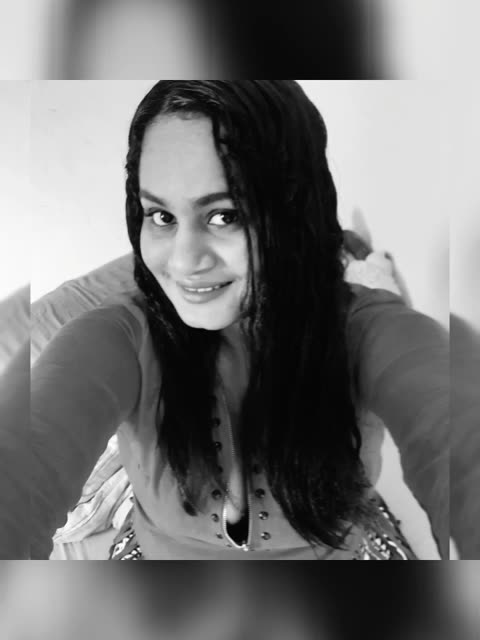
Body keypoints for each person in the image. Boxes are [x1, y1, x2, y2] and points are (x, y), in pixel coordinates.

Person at [11, 80, 449, 559]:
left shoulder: (366, 330)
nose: (183, 261)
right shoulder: (116, 337)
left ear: (295, 210)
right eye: (160, 216)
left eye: (224, 215)